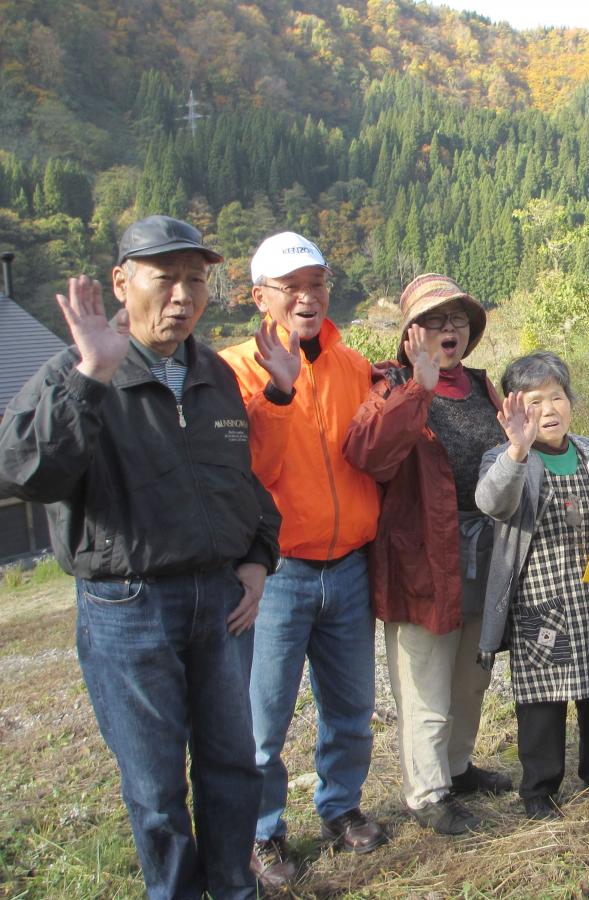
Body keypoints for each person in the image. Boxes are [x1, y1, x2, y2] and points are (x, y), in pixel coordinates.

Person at [0, 216, 281, 899]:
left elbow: (238, 482)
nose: (183, 295)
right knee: (155, 786)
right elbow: (25, 474)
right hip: (128, 606)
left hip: (219, 600)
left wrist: (257, 558)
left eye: (196, 279)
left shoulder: (214, 373)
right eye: (166, 278)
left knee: (232, 765)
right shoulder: (76, 369)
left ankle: (235, 888)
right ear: (123, 283)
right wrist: (91, 377)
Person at [219, 232, 385, 889]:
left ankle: (340, 807)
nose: (307, 297)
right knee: (263, 721)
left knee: (351, 710)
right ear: (260, 297)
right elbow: (243, 474)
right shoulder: (233, 371)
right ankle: (262, 834)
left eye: (316, 283)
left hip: (349, 567)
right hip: (279, 573)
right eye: (292, 287)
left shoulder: (353, 365)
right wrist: (279, 397)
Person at [343, 273, 512, 837]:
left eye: (458, 320)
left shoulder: (484, 386)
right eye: (435, 320)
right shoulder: (389, 383)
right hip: (424, 553)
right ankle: (426, 791)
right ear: (411, 332)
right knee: (426, 683)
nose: (449, 330)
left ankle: (458, 769)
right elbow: (369, 454)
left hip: (485, 550)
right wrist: (419, 386)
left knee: (472, 676)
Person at [475, 352, 589, 821]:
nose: (548, 410)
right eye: (534, 401)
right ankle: (539, 790)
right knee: (541, 700)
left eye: (556, 397)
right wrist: (517, 451)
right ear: (514, 409)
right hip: (540, 602)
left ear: (570, 400)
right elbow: (492, 503)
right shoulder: (503, 458)